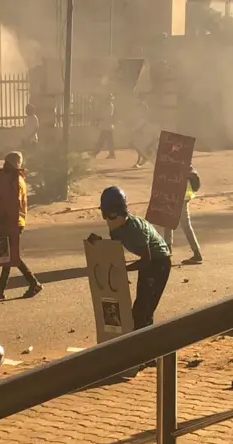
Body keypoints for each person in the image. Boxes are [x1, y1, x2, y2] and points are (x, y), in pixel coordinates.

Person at [87, 186, 171, 332]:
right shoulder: (115, 227)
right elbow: (115, 250)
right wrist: (99, 244)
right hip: (149, 264)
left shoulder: (136, 228)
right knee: (141, 310)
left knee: (142, 311)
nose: (109, 220)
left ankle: (147, 347)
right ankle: (146, 345)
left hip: (159, 262)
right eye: (106, 216)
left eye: (111, 215)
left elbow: (146, 260)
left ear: (118, 212)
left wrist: (122, 269)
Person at [0, 152, 43, 300]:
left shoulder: (16, 181)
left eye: (6, 164)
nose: (3, 166)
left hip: (15, 222)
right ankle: (0, 289)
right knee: (7, 256)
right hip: (13, 220)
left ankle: (33, 283)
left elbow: (13, 204)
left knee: (11, 256)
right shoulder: (14, 179)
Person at [164, 164, 203, 265]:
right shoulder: (182, 161)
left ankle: (197, 253)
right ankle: (168, 247)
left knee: (184, 224)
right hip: (177, 194)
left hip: (180, 195)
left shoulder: (180, 162)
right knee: (169, 221)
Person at [91, 93, 116, 160]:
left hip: (107, 126)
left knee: (102, 141)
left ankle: (94, 153)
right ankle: (111, 154)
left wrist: (97, 119)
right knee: (108, 141)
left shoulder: (110, 106)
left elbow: (105, 116)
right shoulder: (107, 106)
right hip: (106, 126)